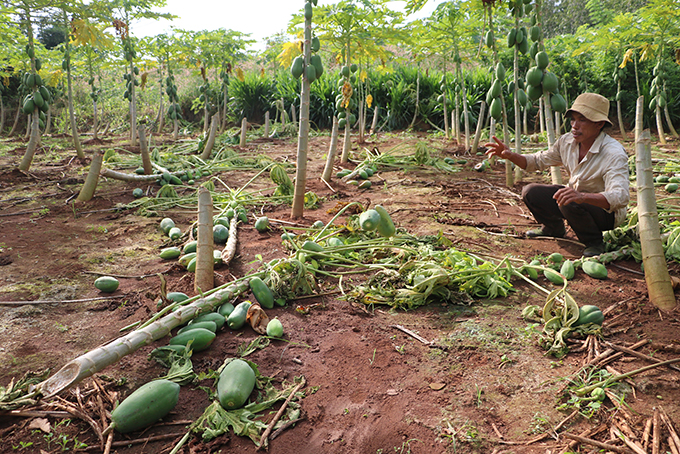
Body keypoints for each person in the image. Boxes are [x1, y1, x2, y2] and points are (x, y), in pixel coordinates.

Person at [484, 92, 630, 257]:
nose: (575, 125)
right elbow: (537, 161)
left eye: (582, 120)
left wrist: (582, 196)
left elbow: (621, 196)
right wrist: (510, 156)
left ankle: (594, 242)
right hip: (574, 201)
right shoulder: (567, 142)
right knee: (531, 192)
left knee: (568, 201)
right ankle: (553, 228)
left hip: (605, 214)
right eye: (573, 119)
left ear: (599, 124)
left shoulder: (613, 153)